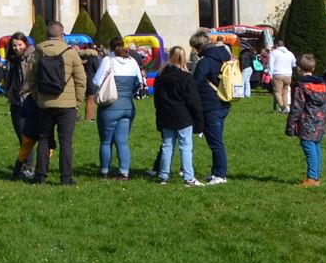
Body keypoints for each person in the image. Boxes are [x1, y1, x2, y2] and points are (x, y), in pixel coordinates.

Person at [30, 22, 85, 186]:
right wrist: (77, 102)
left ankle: (40, 176)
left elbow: (31, 79)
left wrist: (37, 98)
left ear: (47, 35)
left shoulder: (38, 52)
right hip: (67, 105)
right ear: (62, 35)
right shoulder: (71, 53)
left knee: (44, 139)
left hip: (45, 103)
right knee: (66, 142)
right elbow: (81, 80)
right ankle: (66, 178)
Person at [152, 46, 206, 186]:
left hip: (166, 115)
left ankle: (163, 175)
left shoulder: (160, 76)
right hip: (183, 117)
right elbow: (194, 102)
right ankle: (188, 177)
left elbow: (157, 100)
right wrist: (200, 123)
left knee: (167, 146)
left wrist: (159, 117)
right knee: (185, 147)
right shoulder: (186, 78)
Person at [91, 37, 142, 181]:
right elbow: (140, 82)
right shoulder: (132, 62)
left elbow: (96, 81)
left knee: (106, 141)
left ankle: (104, 172)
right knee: (123, 141)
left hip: (110, 106)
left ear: (111, 48)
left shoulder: (108, 61)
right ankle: (124, 172)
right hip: (128, 106)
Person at [190, 30, 235, 185]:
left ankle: (220, 174)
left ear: (198, 47)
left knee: (215, 142)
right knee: (217, 139)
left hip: (210, 104)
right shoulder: (225, 55)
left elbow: (195, 83)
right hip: (224, 101)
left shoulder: (206, 61)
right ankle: (216, 171)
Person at [284, 53, 326, 186]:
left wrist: (290, 126)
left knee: (309, 147)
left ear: (299, 68)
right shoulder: (322, 85)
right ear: (313, 68)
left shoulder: (300, 86)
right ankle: (315, 176)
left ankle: (311, 177)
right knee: (315, 146)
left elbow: (296, 108)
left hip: (307, 122)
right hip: (320, 121)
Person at [4, 34, 38, 179]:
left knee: (27, 137)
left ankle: (28, 168)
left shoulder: (32, 58)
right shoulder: (14, 60)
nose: (17, 48)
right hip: (16, 101)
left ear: (25, 44)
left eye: (19, 45)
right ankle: (25, 166)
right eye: (14, 45)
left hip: (28, 100)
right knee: (21, 136)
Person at [268, 39, 296, 114]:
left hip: (277, 74)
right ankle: (286, 107)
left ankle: (282, 107)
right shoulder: (290, 53)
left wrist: (270, 74)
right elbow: (294, 64)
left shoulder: (274, 52)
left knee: (277, 92)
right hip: (288, 75)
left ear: (276, 45)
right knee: (285, 92)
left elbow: (270, 64)